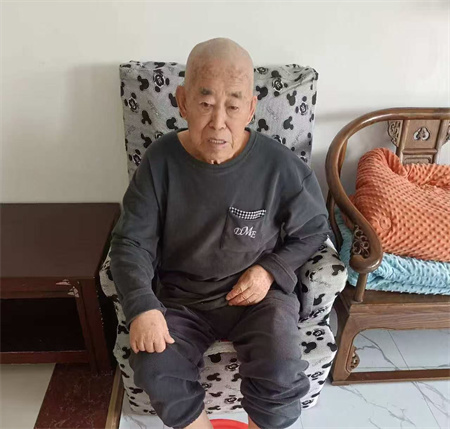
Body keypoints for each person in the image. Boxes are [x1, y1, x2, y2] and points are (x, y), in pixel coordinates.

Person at [109, 37, 332, 429]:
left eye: (232, 106)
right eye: (205, 103)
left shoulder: (281, 167)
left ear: (251, 108)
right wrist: (143, 306)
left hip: (259, 300)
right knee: (154, 364)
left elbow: (314, 230)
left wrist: (270, 270)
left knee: (282, 368)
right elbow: (131, 242)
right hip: (181, 300)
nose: (218, 123)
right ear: (182, 101)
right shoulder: (159, 162)